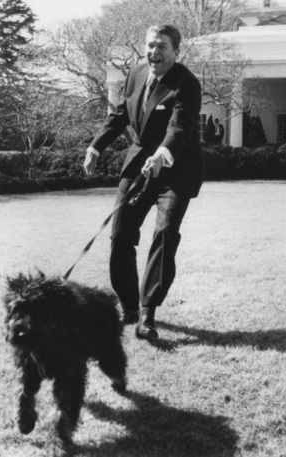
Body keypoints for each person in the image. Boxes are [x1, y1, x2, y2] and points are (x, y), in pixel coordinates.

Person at [83, 24, 203, 340]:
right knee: (120, 235)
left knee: (164, 234)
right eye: (150, 45)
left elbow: (179, 127)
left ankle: (148, 314)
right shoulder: (136, 75)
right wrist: (95, 147)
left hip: (175, 172)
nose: (154, 52)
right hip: (138, 167)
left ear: (176, 52)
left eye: (162, 46)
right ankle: (130, 307)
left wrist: (162, 155)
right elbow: (120, 114)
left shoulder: (187, 84)